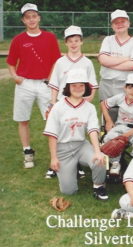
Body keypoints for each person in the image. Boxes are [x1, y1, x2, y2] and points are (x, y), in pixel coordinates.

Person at [6, 3, 61, 168]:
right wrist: (15, 76)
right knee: (23, 119)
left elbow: (56, 61)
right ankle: (27, 151)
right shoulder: (18, 40)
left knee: (52, 118)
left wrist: (50, 79)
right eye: (27, 17)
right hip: (25, 84)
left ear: (39, 17)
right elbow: (10, 62)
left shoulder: (49, 37)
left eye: (34, 16)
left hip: (45, 83)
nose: (31, 19)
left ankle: (57, 154)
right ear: (23, 20)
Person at [43, 69, 108, 199]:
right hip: (63, 149)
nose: (78, 88)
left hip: (81, 145)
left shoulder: (89, 107)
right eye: (74, 85)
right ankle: (73, 168)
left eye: (81, 85)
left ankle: (98, 186)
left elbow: (93, 130)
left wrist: (97, 151)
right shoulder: (58, 107)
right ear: (68, 87)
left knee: (100, 160)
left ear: (86, 87)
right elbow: (52, 135)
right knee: (68, 191)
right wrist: (54, 158)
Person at [45, 25, 99, 179]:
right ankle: (55, 165)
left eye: (77, 40)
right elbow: (55, 85)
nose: (74, 43)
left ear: (81, 42)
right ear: (66, 43)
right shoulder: (60, 62)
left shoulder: (87, 62)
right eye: (70, 41)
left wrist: (87, 101)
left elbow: (92, 85)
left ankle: (76, 165)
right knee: (59, 135)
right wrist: (52, 103)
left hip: (80, 104)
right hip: (63, 105)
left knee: (78, 134)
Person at [98, 9, 133, 121]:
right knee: (106, 115)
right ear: (112, 26)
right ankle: (105, 136)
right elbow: (103, 60)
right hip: (107, 84)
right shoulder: (108, 40)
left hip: (126, 86)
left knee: (125, 117)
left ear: (128, 23)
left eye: (123, 21)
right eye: (116, 22)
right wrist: (125, 59)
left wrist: (110, 63)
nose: (120, 24)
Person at [100, 73, 133, 175]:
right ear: (125, 88)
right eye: (130, 87)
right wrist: (108, 121)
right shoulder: (120, 97)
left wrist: (124, 136)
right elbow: (103, 104)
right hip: (120, 126)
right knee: (110, 137)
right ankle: (115, 163)